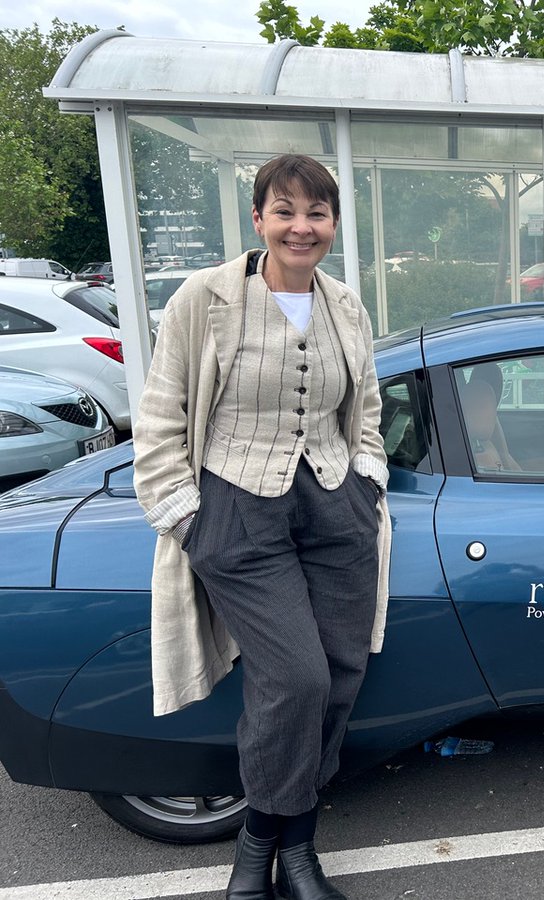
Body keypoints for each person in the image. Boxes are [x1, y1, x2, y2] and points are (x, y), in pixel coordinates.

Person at [133, 154, 391, 900]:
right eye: (285, 211)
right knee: (295, 679)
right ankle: (257, 849)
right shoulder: (205, 297)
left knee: (339, 676)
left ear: (333, 224)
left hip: (336, 503)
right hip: (239, 506)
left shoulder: (345, 305)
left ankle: (296, 850)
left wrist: (367, 479)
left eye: (316, 213)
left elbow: (366, 407)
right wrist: (187, 516)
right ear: (258, 219)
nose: (300, 227)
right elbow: (161, 413)